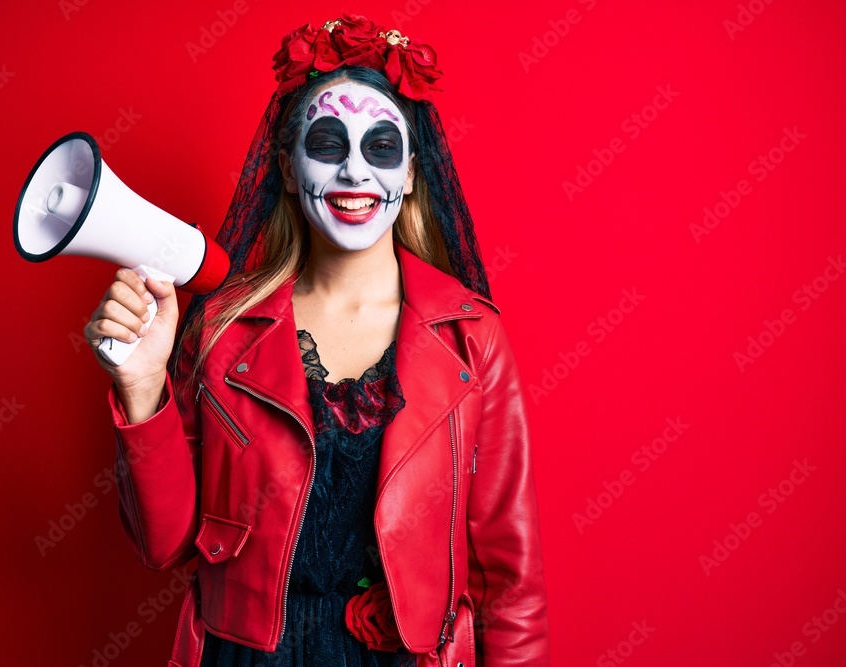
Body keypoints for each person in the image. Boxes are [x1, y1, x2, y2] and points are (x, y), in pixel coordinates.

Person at [85, 14, 550, 667]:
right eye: (329, 143)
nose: (356, 171)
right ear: (287, 165)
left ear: (413, 173)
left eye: (382, 148)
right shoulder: (221, 327)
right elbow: (165, 545)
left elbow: (511, 581)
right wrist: (140, 390)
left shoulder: (474, 337)